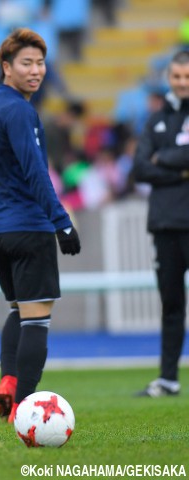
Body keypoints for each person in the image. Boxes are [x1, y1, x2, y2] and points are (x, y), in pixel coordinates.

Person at [0, 28, 81, 423]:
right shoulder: (21, 111)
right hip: (27, 226)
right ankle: (24, 407)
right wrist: (62, 221)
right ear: (7, 67)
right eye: (27, 63)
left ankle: (9, 382)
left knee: (18, 311)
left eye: (40, 63)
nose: (36, 70)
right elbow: (36, 171)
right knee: (37, 320)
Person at [132, 49, 189, 398]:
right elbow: (140, 168)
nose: (182, 83)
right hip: (165, 225)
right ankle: (168, 378)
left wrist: (163, 160)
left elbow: (154, 163)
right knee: (171, 305)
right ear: (168, 79)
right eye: (177, 77)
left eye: (187, 77)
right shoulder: (155, 119)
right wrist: (180, 168)